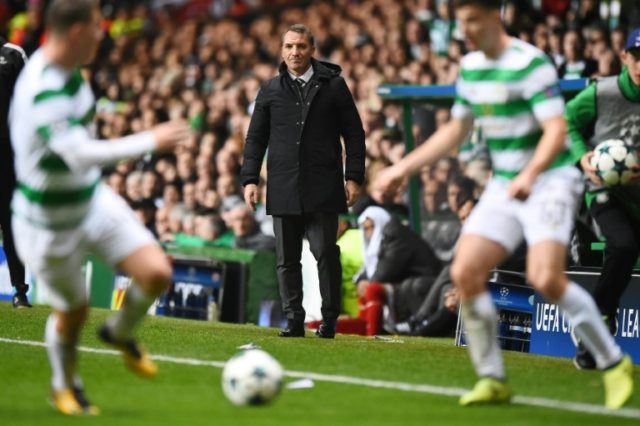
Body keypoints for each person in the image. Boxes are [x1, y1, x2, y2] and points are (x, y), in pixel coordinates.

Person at [375, 0, 633, 409]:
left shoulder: (531, 64)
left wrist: (530, 174)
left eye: (473, 20)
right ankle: (493, 378)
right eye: (461, 23)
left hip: (549, 179)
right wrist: (401, 168)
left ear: (496, 17)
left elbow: (554, 129)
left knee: (546, 277)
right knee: (465, 271)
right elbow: (456, 131)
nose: (467, 30)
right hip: (506, 183)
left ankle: (614, 363)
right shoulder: (472, 66)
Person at [10, 0, 191, 415]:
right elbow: (78, 153)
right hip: (47, 220)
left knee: (157, 272)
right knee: (71, 312)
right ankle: (64, 386)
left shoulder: (70, 69)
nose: (103, 34)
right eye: (97, 27)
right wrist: (150, 140)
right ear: (76, 32)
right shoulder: (42, 88)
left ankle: (118, 331)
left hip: (90, 200)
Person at [241, 24, 365, 339]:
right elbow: (256, 138)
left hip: (323, 185)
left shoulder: (334, 86)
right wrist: (250, 179)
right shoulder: (269, 89)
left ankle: (329, 319)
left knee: (324, 252)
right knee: (286, 259)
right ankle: (294, 320)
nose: (295, 52)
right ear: (282, 51)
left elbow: (354, 133)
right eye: (289, 47)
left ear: (312, 49)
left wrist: (353, 176)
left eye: (301, 46)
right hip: (282, 184)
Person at [565, 27, 640, 370]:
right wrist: (583, 156)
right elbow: (567, 122)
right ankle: (598, 324)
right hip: (604, 192)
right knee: (624, 245)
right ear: (624, 57)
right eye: (637, 57)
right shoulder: (602, 92)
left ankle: (593, 325)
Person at [355, 206, 443, 336]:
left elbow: (387, 270)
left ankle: (377, 331)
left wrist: (369, 282)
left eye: (370, 227)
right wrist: (362, 280)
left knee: (374, 288)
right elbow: (369, 266)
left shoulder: (395, 235)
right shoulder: (385, 237)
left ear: (379, 222)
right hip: (405, 280)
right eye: (365, 228)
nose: (367, 233)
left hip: (426, 281)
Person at [0, 35, 30, 308]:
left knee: (11, 228)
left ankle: (19, 290)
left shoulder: (13, 53)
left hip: (9, 158)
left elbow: (31, 97)